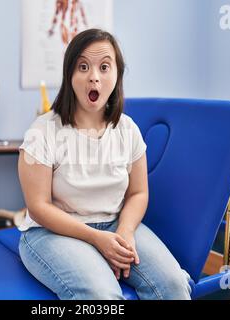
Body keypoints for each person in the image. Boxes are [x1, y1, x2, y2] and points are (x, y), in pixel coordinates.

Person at [17, 28, 191, 300]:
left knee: (174, 285)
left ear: (117, 75)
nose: (94, 76)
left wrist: (124, 232)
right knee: (102, 296)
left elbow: (138, 193)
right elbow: (38, 207)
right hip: (52, 233)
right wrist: (96, 239)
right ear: (69, 75)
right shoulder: (42, 131)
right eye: (83, 66)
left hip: (114, 224)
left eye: (104, 67)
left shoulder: (128, 130)